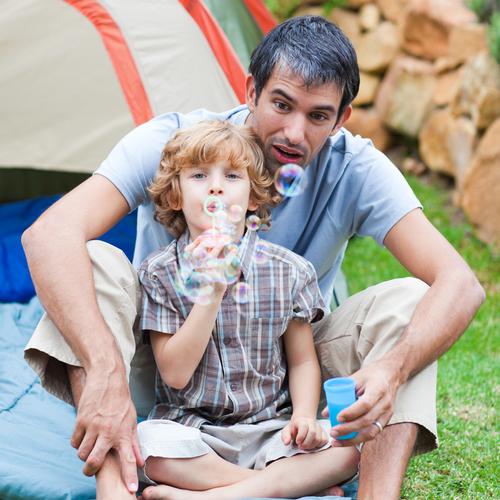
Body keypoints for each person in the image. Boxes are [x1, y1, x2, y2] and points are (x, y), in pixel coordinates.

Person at [22, 15, 484, 500]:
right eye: (281, 104)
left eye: (318, 116)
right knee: (93, 262)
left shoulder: (356, 168)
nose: (294, 132)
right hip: (168, 377)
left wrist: (392, 369)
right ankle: (117, 489)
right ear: (251, 90)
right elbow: (50, 235)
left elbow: (460, 283)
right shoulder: (178, 144)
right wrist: (104, 371)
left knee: (413, 301)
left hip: (284, 385)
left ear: (342, 118)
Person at [124, 119, 357, 499]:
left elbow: (301, 362)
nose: (216, 186)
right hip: (194, 434)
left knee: (348, 452)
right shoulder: (159, 273)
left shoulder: (289, 271)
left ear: (252, 197)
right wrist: (211, 291)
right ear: (176, 195)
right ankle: (273, 489)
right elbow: (176, 374)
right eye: (199, 174)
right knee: (144, 445)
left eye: (232, 175)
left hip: (270, 431)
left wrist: (302, 418)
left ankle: (207, 496)